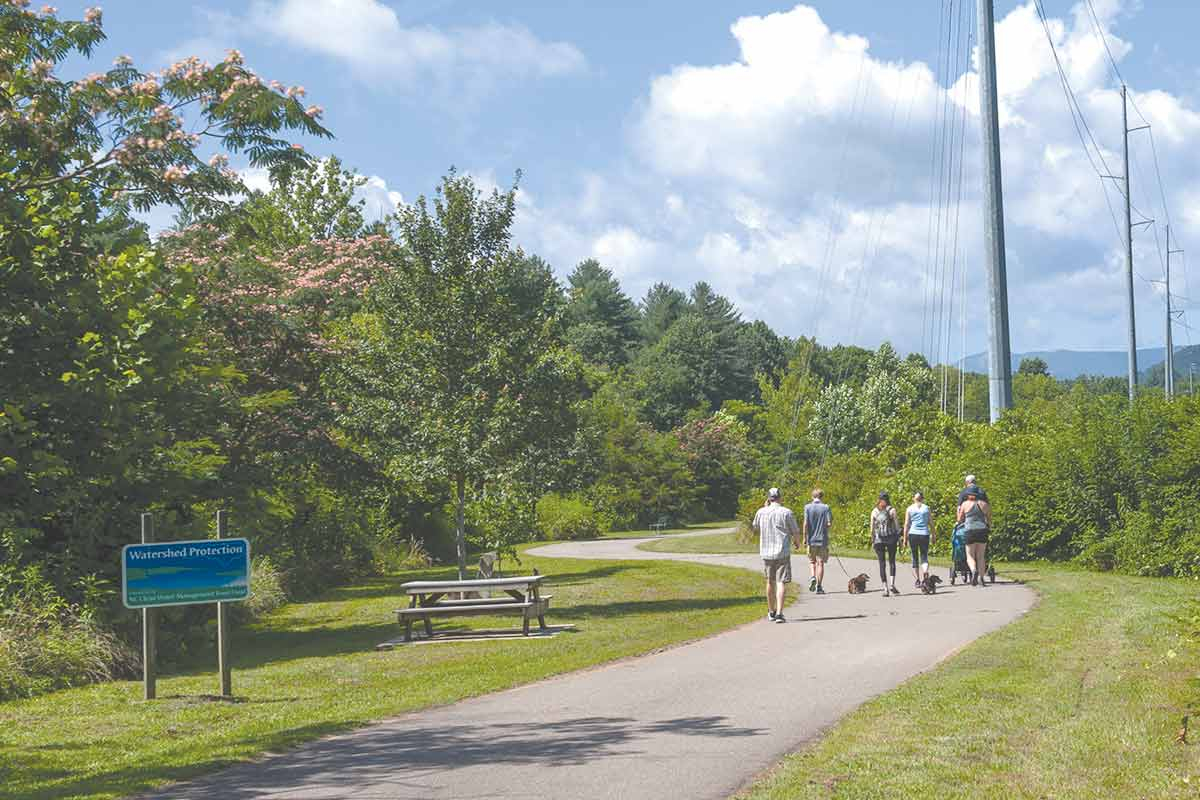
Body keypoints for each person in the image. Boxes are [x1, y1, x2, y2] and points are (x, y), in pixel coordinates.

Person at [752, 487, 801, 623]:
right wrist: (797, 542)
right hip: (782, 552)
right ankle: (779, 613)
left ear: (768, 498)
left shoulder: (761, 512)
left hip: (766, 552)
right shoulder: (786, 512)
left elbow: (755, 527)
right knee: (781, 582)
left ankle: (771, 611)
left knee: (769, 581)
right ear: (780, 497)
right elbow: (795, 531)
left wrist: (764, 508)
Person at [957, 490, 992, 587]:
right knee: (981, 556)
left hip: (969, 531)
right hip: (982, 531)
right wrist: (988, 526)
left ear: (969, 495)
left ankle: (973, 570)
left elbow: (959, 519)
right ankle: (981, 578)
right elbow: (989, 520)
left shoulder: (965, 504)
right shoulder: (984, 504)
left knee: (970, 555)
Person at [870, 492, 902, 597]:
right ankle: (892, 584)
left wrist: (872, 540)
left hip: (879, 540)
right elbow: (897, 526)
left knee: (882, 564)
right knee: (892, 562)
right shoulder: (892, 510)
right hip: (891, 539)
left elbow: (872, 529)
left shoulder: (874, 511)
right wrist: (900, 539)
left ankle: (885, 588)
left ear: (879, 499)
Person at [803, 488, 833, 595]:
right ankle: (819, 586)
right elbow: (829, 523)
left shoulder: (807, 507)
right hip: (823, 539)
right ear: (822, 497)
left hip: (811, 539)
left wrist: (804, 538)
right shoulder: (826, 507)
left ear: (812, 497)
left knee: (812, 562)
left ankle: (812, 577)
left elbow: (806, 524)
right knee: (820, 563)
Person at [903, 492, 934, 588]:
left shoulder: (909, 508)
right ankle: (925, 572)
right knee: (924, 556)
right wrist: (934, 535)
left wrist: (905, 538)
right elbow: (931, 523)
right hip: (924, 534)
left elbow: (907, 524)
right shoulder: (926, 508)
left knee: (915, 556)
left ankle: (917, 580)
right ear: (922, 499)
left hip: (913, 534)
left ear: (914, 498)